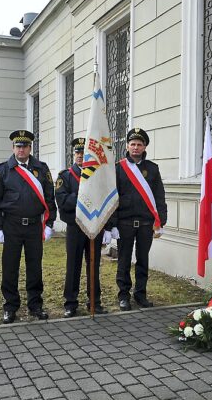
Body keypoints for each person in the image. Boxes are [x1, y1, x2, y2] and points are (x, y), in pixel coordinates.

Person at [0, 130, 57, 324]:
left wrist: (49, 223)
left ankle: (35, 305)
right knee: (10, 268)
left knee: (35, 267)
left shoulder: (41, 169)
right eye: (18, 146)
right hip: (11, 226)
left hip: (34, 226)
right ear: (13, 148)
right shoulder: (3, 169)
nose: (21, 149)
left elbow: (49, 198)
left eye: (25, 146)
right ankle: (10, 307)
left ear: (30, 148)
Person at [110, 128, 167, 311]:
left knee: (143, 260)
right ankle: (123, 296)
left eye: (139, 144)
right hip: (124, 223)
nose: (135, 147)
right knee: (124, 261)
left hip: (145, 224)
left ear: (144, 147)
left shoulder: (152, 169)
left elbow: (159, 196)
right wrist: (113, 224)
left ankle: (140, 294)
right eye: (132, 144)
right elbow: (113, 197)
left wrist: (161, 221)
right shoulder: (118, 168)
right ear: (127, 145)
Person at [56, 138, 112, 317]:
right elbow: (63, 202)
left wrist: (108, 226)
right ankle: (70, 303)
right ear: (74, 155)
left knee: (93, 264)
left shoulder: (97, 175)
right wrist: (83, 195)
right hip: (75, 226)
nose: (81, 156)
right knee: (73, 265)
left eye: (84, 153)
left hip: (95, 225)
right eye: (78, 153)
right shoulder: (65, 176)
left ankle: (94, 301)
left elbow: (105, 199)